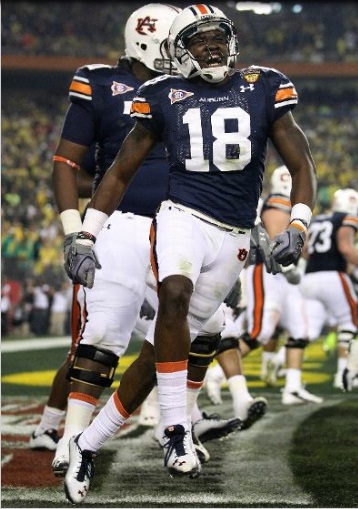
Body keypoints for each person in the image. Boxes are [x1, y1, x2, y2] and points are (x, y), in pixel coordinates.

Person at [63, 4, 317, 502]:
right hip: (180, 218)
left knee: (165, 349)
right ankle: (178, 427)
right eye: (198, 40)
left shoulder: (263, 85)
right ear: (179, 52)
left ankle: (87, 444)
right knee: (173, 295)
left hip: (235, 233)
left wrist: (300, 223)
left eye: (217, 35)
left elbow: (301, 162)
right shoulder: (162, 95)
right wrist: (86, 234)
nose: (211, 45)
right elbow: (118, 171)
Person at [32, 2, 240, 477]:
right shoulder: (104, 83)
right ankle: (71, 437)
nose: (184, 52)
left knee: (209, 325)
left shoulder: (195, 88)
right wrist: (76, 232)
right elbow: (70, 164)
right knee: (103, 331)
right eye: (176, 42)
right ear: (149, 42)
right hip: (124, 222)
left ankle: (186, 420)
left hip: (185, 222)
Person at [300, 187, 358, 389]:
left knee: (306, 330)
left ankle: (287, 372)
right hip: (333, 276)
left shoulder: (318, 220)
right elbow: (346, 248)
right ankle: (344, 374)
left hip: (309, 278)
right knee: (350, 322)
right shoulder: (348, 219)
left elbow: (305, 250)